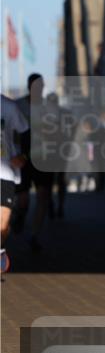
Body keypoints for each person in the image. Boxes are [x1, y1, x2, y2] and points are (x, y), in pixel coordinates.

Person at [14, 74, 52, 251]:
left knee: (43, 196)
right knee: (23, 201)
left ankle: (34, 235)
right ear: (29, 86)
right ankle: (20, 215)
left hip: (43, 157)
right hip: (23, 157)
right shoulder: (18, 105)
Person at [1, 95, 30, 272]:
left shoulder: (8, 107)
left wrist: (23, 156)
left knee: (3, 225)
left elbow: (27, 133)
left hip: (5, 172)